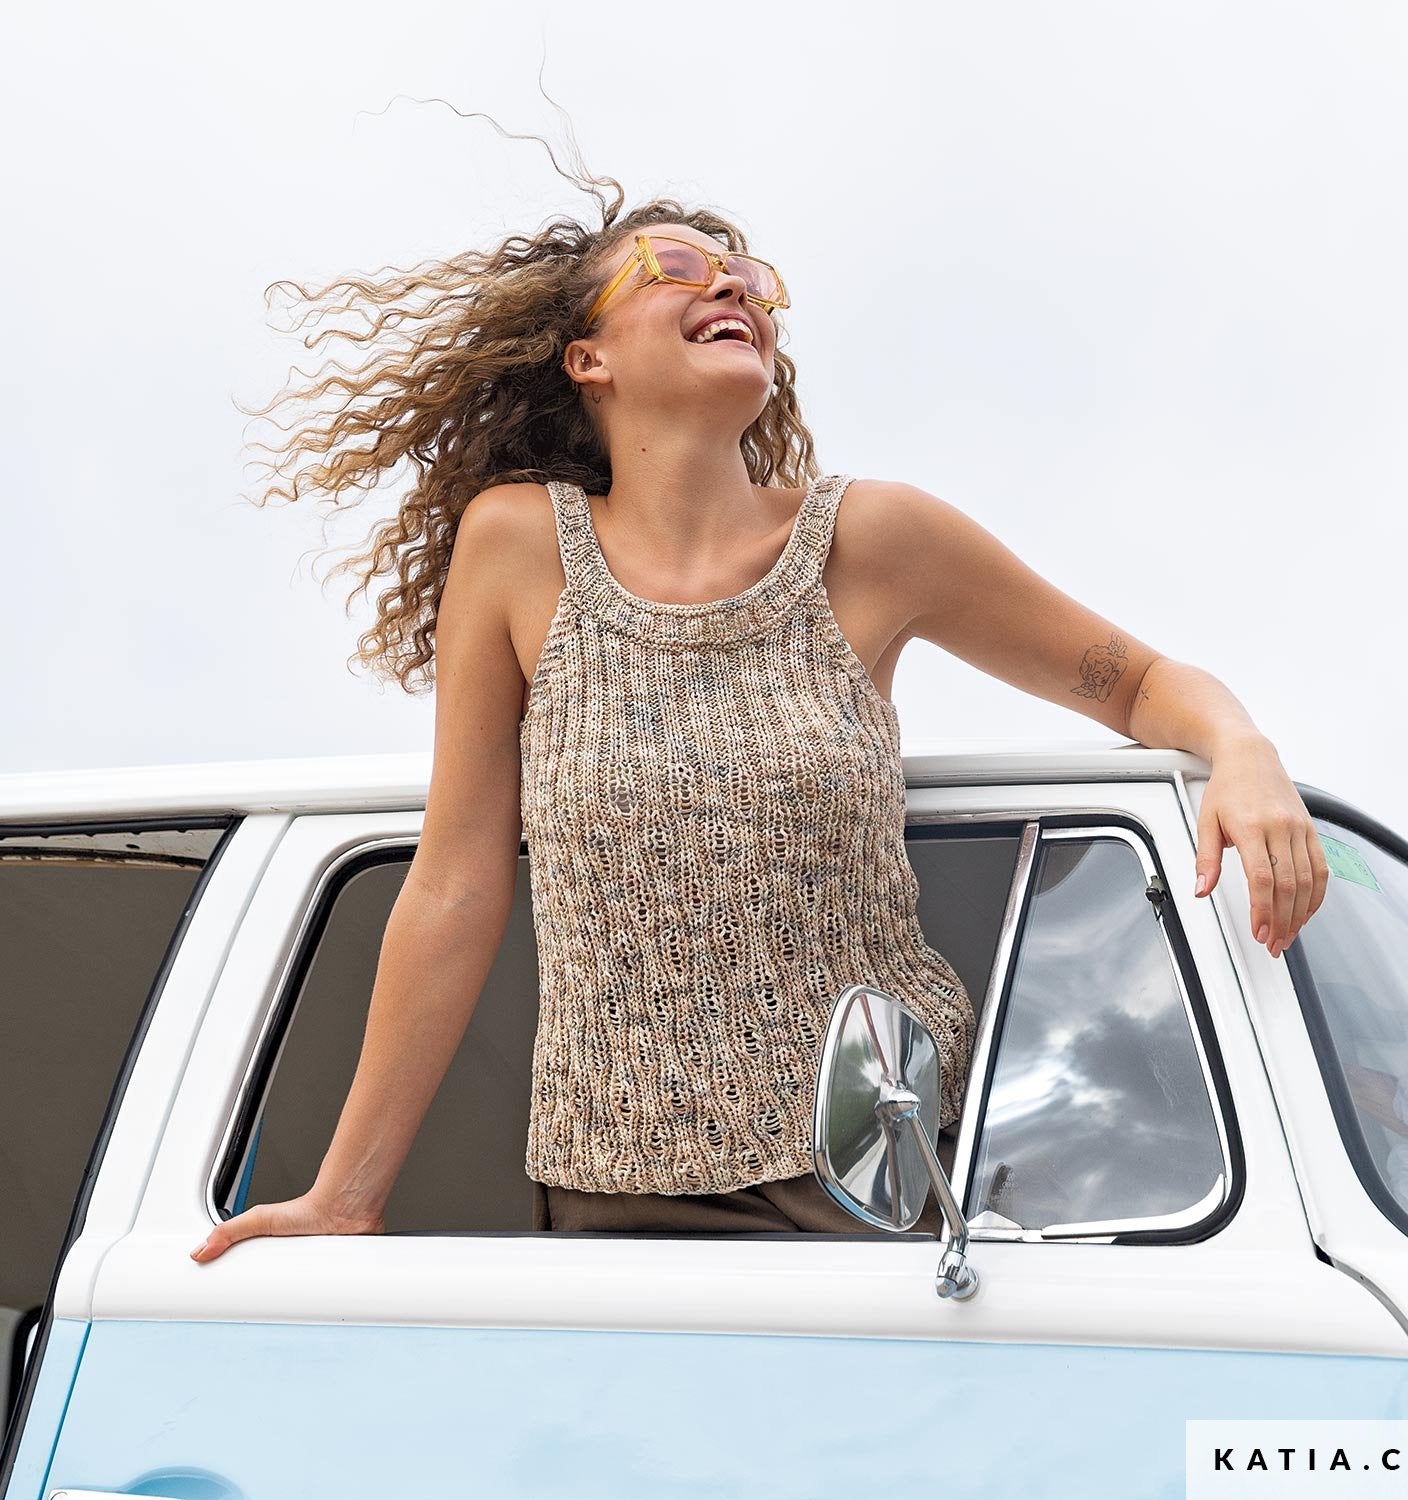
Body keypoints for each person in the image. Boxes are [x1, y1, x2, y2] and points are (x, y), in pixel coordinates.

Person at [189, 139, 1328, 1260]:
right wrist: (344, 1198)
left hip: (874, 1183)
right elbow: (456, 882)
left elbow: (1136, 683)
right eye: (678, 270)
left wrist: (1240, 747)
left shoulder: (875, 538)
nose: (732, 286)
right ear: (588, 359)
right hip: (611, 1199)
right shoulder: (516, 547)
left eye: (747, 278)